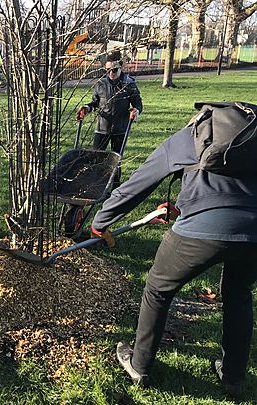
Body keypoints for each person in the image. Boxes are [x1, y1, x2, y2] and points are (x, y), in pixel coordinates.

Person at [90, 103, 257, 400]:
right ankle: (233, 377)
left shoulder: (190, 136)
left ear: (205, 117)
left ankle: (139, 365)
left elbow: (136, 185)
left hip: (201, 232)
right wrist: (186, 204)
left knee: (158, 288)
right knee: (238, 294)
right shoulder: (252, 142)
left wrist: (100, 222)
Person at [77, 49, 143, 186]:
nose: (110, 74)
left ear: (120, 67)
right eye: (107, 70)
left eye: (113, 70)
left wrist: (136, 111)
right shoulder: (101, 84)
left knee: (116, 161)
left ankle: (115, 189)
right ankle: (94, 186)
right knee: (96, 159)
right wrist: (86, 108)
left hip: (120, 129)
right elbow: (95, 102)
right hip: (102, 128)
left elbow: (138, 103)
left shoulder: (129, 84)